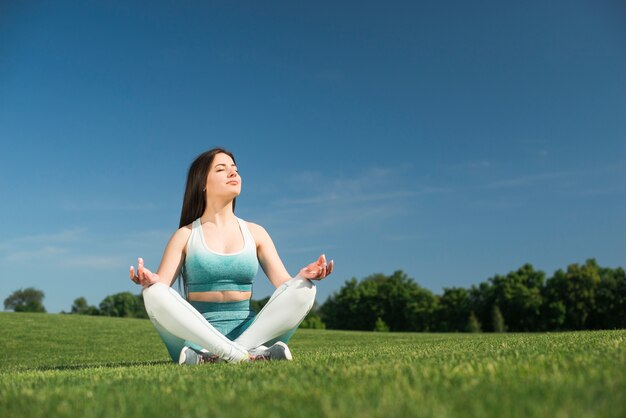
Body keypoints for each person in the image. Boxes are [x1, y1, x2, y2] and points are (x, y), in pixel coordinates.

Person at [129, 147, 334, 364]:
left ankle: (228, 353)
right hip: (196, 338)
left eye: (235, 169)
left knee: (306, 289)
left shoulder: (256, 233)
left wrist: (302, 276)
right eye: (221, 169)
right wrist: (148, 280)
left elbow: (284, 286)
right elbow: (162, 288)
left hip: (253, 333)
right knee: (153, 293)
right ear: (202, 184)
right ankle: (248, 355)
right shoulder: (185, 235)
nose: (233, 173)